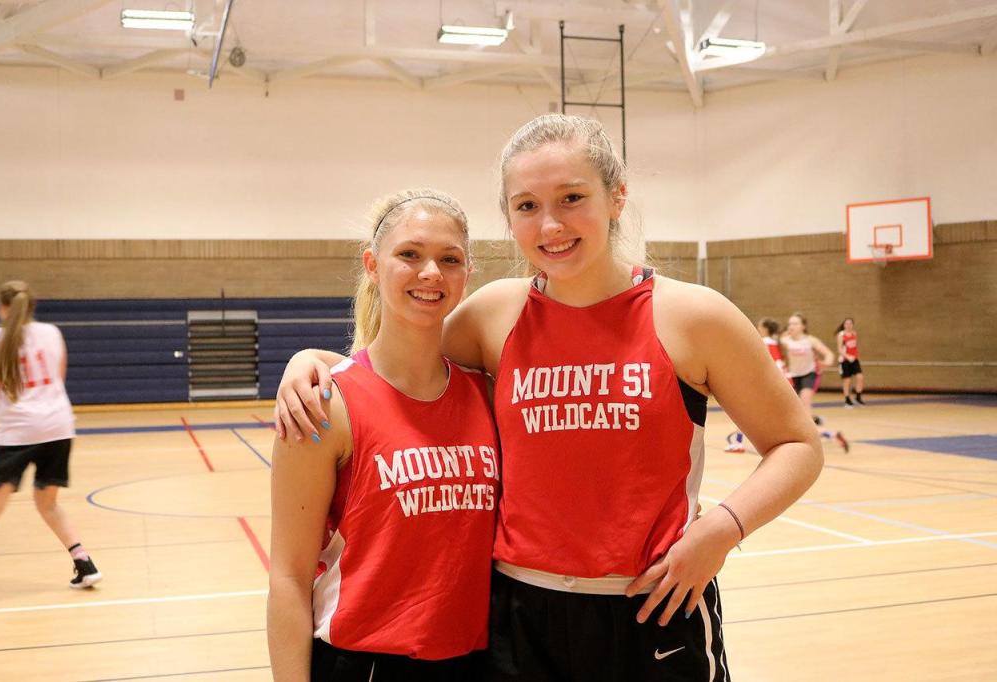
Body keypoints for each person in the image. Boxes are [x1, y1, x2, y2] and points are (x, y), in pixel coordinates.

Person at [275, 115, 824, 681]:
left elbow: (798, 444)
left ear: (616, 198)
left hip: (653, 605)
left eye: (571, 197)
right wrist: (312, 363)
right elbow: (396, 359)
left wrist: (722, 530)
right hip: (520, 614)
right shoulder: (496, 314)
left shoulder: (692, 316)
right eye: (527, 206)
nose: (550, 224)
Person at [266, 189, 500, 682]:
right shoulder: (324, 403)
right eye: (410, 255)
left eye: (449, 259)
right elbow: (288, 577)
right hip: (366, 664)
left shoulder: (489, 393)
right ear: (373, 265)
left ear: (466, 274)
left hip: (478, 660)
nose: (431, 272)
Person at [0, 281, 102, 588]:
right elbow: (57, 379)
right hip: (58, 426)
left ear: (1, 307)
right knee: (48, 503)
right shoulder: (52, 332)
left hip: (18, 432)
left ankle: (84, 564)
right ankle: (84, 563)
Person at [781, 312, 849, 452]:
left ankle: (822, 434)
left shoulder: (810, 340)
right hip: (793, 376)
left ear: (803, 326)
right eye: (790, 323)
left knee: (805, 407)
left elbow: (829, 355)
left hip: (809, 375)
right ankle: (816, 422)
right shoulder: (785, 340)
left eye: (795, 323)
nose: (791, 326)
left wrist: (825, 363)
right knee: (796, 410)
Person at [725, 317, 787, 453]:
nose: (757, 329)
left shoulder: (764, 342)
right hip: (774, 383)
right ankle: (739, 440)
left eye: (759, 327)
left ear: (764, 329)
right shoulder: (773, 343)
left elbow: (769, 363)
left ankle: (738, 441)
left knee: (746, 414)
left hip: (763, 383)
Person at [836, 317, 866, 407]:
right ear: (844, 325)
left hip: (854, 359)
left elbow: (854, 348)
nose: (848, 325)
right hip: (844, 360)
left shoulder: (854, 334)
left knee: (860, 377)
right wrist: (848, 356)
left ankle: (858, 397)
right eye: (846, 324)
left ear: (852, 325)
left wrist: (856, 357)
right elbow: (840, 349)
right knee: (847, 380)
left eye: (850, 324)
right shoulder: (841, 335)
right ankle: (847, 400)